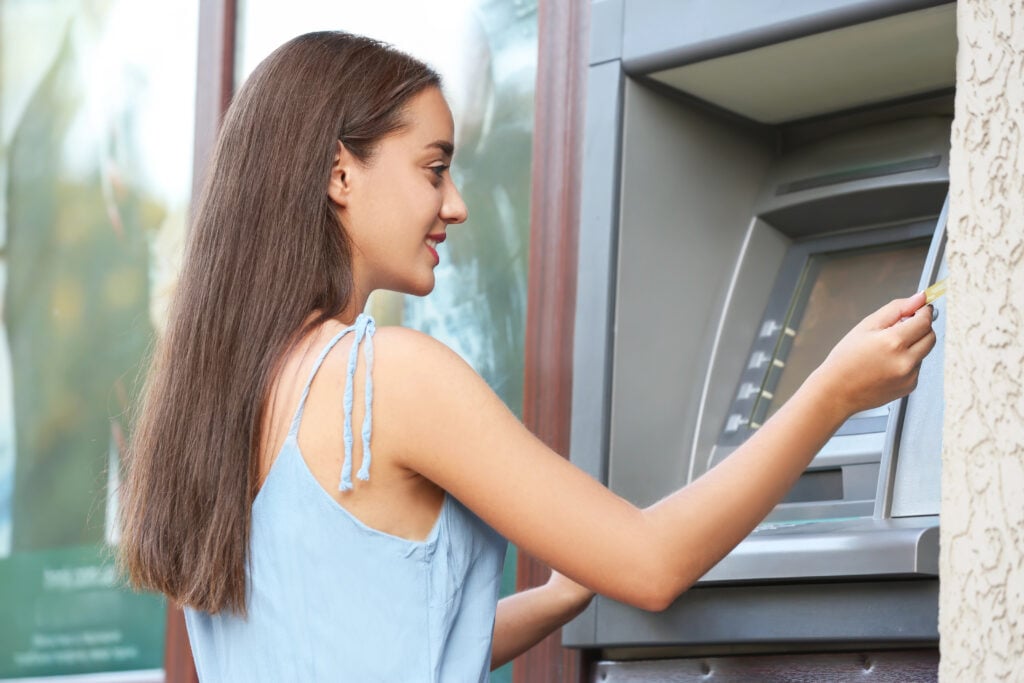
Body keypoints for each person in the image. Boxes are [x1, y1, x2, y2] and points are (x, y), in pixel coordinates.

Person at [119, 31, 936, 682]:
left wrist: (552, 600)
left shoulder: (218, 404)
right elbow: (653, 565)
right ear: (340, 172)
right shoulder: (386, 377)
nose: (457, 204)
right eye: (433, 168)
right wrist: (833, 392)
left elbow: (390, 642)